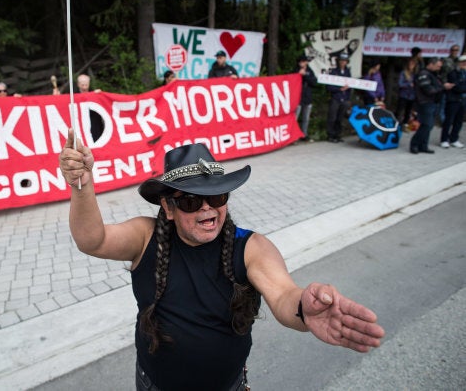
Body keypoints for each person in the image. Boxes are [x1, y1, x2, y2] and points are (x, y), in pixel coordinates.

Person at [59, 134, 385, 391]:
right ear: (168, 208)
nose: (207, 210)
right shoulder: (145, 237)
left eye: (216, 197)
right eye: (190, 200)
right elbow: (93, 240)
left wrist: (304, 307)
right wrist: (82, 185)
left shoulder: (252, 247)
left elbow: (284, 296)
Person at [410, 57, 454, 154]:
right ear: (431, 64)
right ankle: (414, 144)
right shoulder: (423, 74)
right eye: (437, 66)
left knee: (429, 126)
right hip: (425, 103)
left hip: (433, 103)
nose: (439, 68)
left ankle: (423, 145)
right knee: (426, 125)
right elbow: (428, 90)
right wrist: (443, 87)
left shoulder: (434, 75)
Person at [440, 54, 466, 149]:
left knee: (459, 121)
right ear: (459, 63)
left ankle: (454, 139)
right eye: (463, 62)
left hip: (463, 100)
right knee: (449, 120)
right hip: (453, 100)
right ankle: (444, 139)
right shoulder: (453, 73)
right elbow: (456, 87)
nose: (464, 64)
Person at [325, 53, 352, 143]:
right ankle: (330, 135)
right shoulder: (333, 72)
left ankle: (337, 134)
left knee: (340, 118)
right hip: (336, 98)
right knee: (332, 117)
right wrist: (339, 89)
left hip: (344, 98)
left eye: (344, 61)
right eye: (341, 60)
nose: (343, 62)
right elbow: (329, 87)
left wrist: (348, 98)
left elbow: (350, 86)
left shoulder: (348, 72)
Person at [294, 54, 317, 141]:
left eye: (304, 61)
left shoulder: (310, 71)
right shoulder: (295, 70)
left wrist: (305, 75)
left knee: (306, 118)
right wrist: (299, 74)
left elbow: (314, 82)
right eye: (300, 62)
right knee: (295, 117)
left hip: (307, 97)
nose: (302, 63)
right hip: (298, 97)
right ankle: (294, 136)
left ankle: (304, 134)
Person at [438, 44, 462, 124]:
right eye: (453, 50)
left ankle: (452, 120)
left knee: (455, 105)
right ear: (450, 51)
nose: (455, 52)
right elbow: (440, 72)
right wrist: (443, 83)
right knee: (443, 104)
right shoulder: (445, 60)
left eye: (456, 50)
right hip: (446, 85)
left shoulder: (460, 61)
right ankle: (442, 121)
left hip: (457, 87)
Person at [396, 58, 417, 129]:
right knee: (400, 110)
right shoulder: (403, 73)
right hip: (404, 95)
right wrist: (408, 84)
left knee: (408, 111)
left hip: (412, 95)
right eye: (410, 64)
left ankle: (405, 124)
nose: (412, 66)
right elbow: (400, 84)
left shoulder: (414, 74)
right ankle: (396, 123)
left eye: (413, 64)